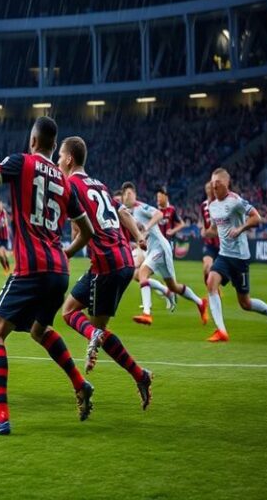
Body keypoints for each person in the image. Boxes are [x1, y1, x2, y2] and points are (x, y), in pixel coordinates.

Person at [0, 116, 95, 435]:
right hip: (58, 271)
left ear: (33, 140)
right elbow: (88, 231)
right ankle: (80, 384)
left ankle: (0, 416)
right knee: (40, 330)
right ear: (54, 146)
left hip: (31, 268)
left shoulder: (21, 162)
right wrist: (65, 251)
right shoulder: (65, 182)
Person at [57, 136, 153, 410]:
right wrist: (139, 237)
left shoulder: (70, 184)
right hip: (124, 259)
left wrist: (64, 254)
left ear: (69, 159)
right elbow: (123, 212)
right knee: (97, 329)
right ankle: (140, 375)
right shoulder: (98, 184)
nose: (57, 162)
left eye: (59, 157)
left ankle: (95, 340)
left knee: (69, 313)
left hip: (106, 263)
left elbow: (82, 231)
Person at [203, 168, 267, 342]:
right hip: (224, 255)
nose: (214, 186)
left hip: (240, 258)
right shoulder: (212, 206)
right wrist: (207, 232)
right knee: (211, 282)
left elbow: (256, 217)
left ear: (226, 183)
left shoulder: (236, 201)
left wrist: (240, 228)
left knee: (245, 303)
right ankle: (221, 331)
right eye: (212, 184)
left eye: (217, 183)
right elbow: (216, 229)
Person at [122, 182, 208, 326]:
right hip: (152, 250)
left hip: (160, 248)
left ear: (135, 195)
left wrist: (147, 227)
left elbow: (159, 213)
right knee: (173, 286)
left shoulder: (140, 207)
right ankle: (200, 303)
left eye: (130, 193)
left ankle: (147, 314)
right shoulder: (128, 213)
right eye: (125, 194)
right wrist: (140, 241)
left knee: (142, 273)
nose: (127, 196)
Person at [199, 181, 220, 285]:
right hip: (209, 244)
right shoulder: (203, 205)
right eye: (207, 188)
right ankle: (212, 292)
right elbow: (204, 220)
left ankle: (214, 290)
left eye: (211, 188)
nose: (209, 190)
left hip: (222, 245)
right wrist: (203, 229)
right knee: (207, 268)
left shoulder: (220, 204)